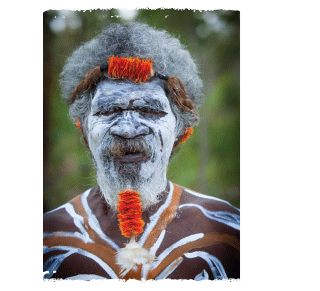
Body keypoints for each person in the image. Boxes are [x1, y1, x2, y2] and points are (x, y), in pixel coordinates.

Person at [43, 22, 240, 281]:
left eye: (150, 110)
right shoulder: (46, 237)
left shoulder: (229, 232)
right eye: (108, 111)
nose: (127, 129)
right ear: (84, 128)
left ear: (181, 129)